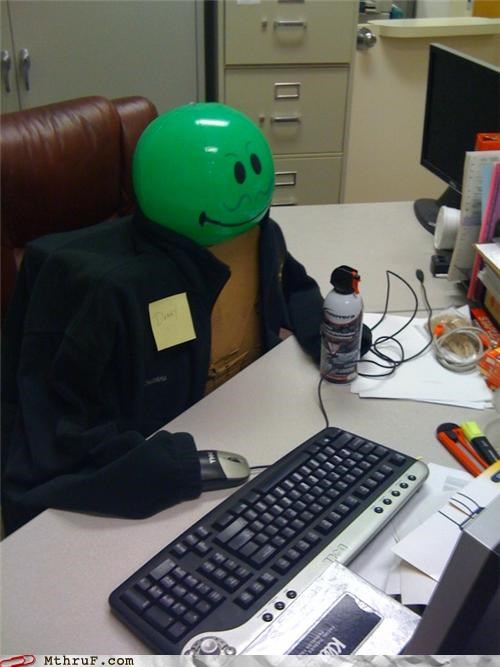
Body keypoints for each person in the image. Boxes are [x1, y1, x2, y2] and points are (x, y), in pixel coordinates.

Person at [1, 103, 324, 535]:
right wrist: (163, 467)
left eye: (250, 169)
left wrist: (328, 332)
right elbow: (58, 426)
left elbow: (292, 284)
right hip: (166, 458)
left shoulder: (259, 232)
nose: (245, 191)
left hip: (244, 411)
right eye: (235, 173)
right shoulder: (108, 288)